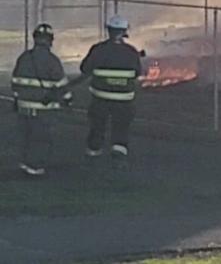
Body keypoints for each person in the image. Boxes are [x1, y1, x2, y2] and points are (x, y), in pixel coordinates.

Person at [80, 16, 143, 166]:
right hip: (124, 99)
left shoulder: (98, 49)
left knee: (97, 124)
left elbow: (84, 68)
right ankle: (119, 153)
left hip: (100, 97)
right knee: (121, 126)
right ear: (125, 31)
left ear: (109, 30)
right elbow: (137, 73)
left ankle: (93, 152)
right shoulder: (131, 52)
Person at [10, 24, 70, 177]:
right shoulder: (52, 61)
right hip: (44, 109)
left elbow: (15, 82)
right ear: (50, 40)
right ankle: (35, 166)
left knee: (26, 135)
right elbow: (61, 85)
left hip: (23, 107)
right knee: (41, 137)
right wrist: (68, 100)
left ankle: (25, 162)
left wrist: (19, 98)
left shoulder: (24, 58)